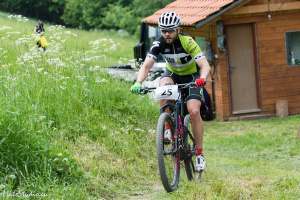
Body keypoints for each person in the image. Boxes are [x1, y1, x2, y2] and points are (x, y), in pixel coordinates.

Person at [130, 11, 211, 172]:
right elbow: (146, 65)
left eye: (170, 30)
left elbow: (204, 65)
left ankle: (200, 153)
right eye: (164, 30)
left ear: (178, 29)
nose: (167, 34)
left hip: (192, 76)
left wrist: (202, 78)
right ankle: (167, 128)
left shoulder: (188, 42)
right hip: (173, 75)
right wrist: (139, 82)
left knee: (194, 111)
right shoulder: (158, 44)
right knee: (163, 85)